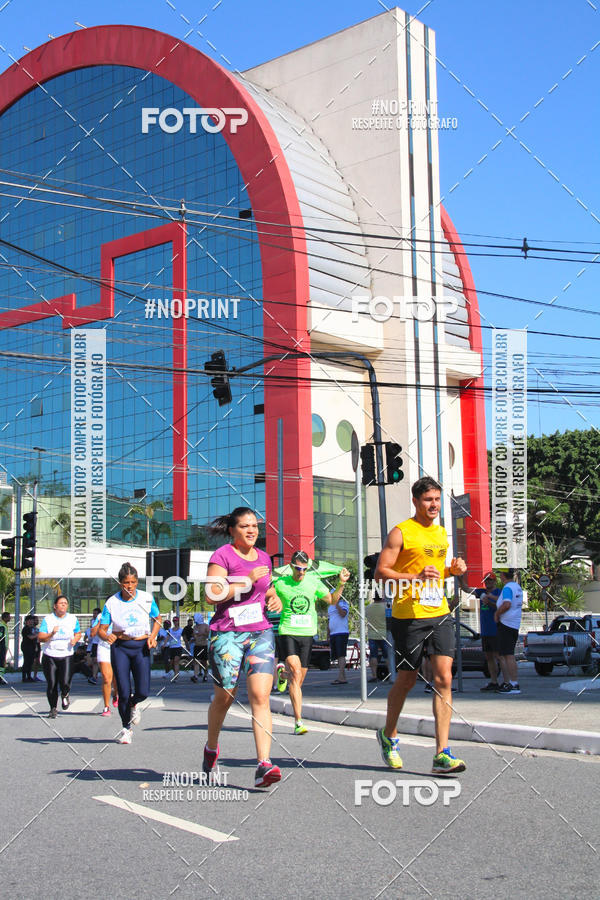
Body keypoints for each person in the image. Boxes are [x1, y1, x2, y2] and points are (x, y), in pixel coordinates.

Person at [374, 476, 468, 774]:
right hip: (408, 616)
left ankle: (442, 753)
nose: (434, 505)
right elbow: (381, 573)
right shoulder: (401, 532)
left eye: (437, 500)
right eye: (428, 500)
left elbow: (437, 572)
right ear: (416, 501)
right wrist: (414, 578)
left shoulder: (441, 534)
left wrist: (451, 570)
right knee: (407, 680)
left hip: (438, 612)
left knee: (444, 679)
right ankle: (389, 735)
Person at [203, 506, 283, 788]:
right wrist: (244, 582)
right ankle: (211, 747)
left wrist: (276, 600)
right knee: (225, 697)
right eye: (245, 526)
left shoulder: (263, 557)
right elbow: (212, 594)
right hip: (227, 634)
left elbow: (267, 588)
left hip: (260, 632)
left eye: (255, 526)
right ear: (232, 530)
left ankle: (264, 764)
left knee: (260, 697)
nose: (251, 531)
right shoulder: (222, 556)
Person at [274, 550, 350, 733]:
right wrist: (273, 598)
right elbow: (266, 593)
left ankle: (282, 675)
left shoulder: (313, 582)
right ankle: (298, 722)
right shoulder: (281, 582)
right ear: (291, 566)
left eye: (304, 569)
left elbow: (332, 600)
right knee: (296, 672)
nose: (301, 572)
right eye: (298, 568)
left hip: (307, 633)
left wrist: (341, 584)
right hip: (288, 632)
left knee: (298, 680)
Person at [98, 562, 161, 744]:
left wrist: (153, 636)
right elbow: (102, 629)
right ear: (120, 583)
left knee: (143, 691)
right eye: (126, 582)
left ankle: (135, 703)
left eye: (133, 582)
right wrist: (107, 636)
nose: (130, 586)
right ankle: (126, 728)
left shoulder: (146, 598)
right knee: (123, 692)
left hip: (141, 646)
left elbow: (157, 619)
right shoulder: (112, 602)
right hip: (121, 648)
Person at [38, 596, 82, 718]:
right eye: (61, 603)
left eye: (65, 603)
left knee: (65, 682)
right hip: (50, 655)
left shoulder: (72, 619)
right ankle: (53, 708)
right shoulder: (48, 619)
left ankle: (65, 694)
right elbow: (41, 637)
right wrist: (52, 633)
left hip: (66, 655)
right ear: (55, 606)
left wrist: (75, 640)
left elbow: (78, 633)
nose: (63, 605)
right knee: (52, 683)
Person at [494, 569, 523, 694]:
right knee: (507, 654)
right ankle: (511, 682)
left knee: (507, 655)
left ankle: (513, 683)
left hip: (506, 624)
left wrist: (497, 613)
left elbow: (507, 604)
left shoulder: (507, 588)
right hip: (514, 623)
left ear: (503, 576)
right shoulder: (517, 587)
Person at [475, 573, 501, 692]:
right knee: (489, 657)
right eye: (486, 580)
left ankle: (507, 681)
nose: (488, 582)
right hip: (485, 630)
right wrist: (459, 576)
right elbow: (466, 589)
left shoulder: (498, 593)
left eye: (490, 580)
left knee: (499, 656)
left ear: (494, 581)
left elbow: (501, 606)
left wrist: (488, 602)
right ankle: (493, 681)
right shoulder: (482, 592)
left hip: (495, 629)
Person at [90, 607, 118, 716]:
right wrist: (100, 622)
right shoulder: (100, 616)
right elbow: (92, 634)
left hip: (117, 648)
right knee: (107, 678)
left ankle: (116, 694)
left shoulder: (121, 614)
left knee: (116, 678)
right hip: (103, 647)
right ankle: (106, 707)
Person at [328, 585, 350, 685]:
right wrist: (328, 634)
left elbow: (343, 614)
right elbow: (330, 620)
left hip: (341, 632)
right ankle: (343, 676)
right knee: (337, 655)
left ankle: (341, 677)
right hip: (333, 633)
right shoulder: (330, 607)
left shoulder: (343, 603)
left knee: (341, 655)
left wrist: (337, 604)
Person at [365, 594, 388, 683]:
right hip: (384, 634)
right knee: (387, 655)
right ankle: (390, 674)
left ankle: (374, 675)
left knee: (373, 655)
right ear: (381, 598)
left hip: (372, 634)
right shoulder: (386, 607)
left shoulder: (368, 608)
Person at [21, 614, 41, 682]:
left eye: (32, 621)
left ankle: (29, 676)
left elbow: (34, 639)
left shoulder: (31, 629)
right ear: (26, 621)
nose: (31, 622)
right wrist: (38, 634)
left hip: (32, 647)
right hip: (26, 647)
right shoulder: (26, 629)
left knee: (30, 662)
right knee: (26, 661)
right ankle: (24, 677)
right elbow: (31, 637)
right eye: (30, 621)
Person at [84, 607, 100, 684]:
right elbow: (91, 632)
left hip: (102, 643)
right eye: (93, 613)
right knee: (94, 660)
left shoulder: (103, 619)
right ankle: (94, 676)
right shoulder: (93, 621)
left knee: (100, 661)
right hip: (95, 643)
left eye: (95, 613)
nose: (94, 615)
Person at [191, 613, 209, 682]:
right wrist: (194, 638)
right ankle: (195, 676)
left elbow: (208, 635)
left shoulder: (205, 626)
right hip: (197, 646)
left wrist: (203, 634)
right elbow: (194, 635)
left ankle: (205, 675)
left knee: (204, 662)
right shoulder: (195, 627)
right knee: (196, 661)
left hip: (203, 646)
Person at [166, 615, 184, 680]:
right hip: (171, 647)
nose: (175, 622)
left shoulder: (181, 630)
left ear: (178, 621)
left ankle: (176, 675)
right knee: (172, 663)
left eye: (176, 621)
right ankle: (175, 672)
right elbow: (167, 637)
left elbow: (184, 637)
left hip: (178, 647)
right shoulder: (170, 630)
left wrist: (187, 645)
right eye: (174, 621)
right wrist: (164, 644)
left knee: (176, 661)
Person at [0, 611, 10, 678]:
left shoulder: (4, 625)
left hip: (4, 647)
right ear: (5, 618)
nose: (10, 618)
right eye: (9, 617)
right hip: (1, 647)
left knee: (3, 662)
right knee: (1, 662)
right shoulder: (1, 626)